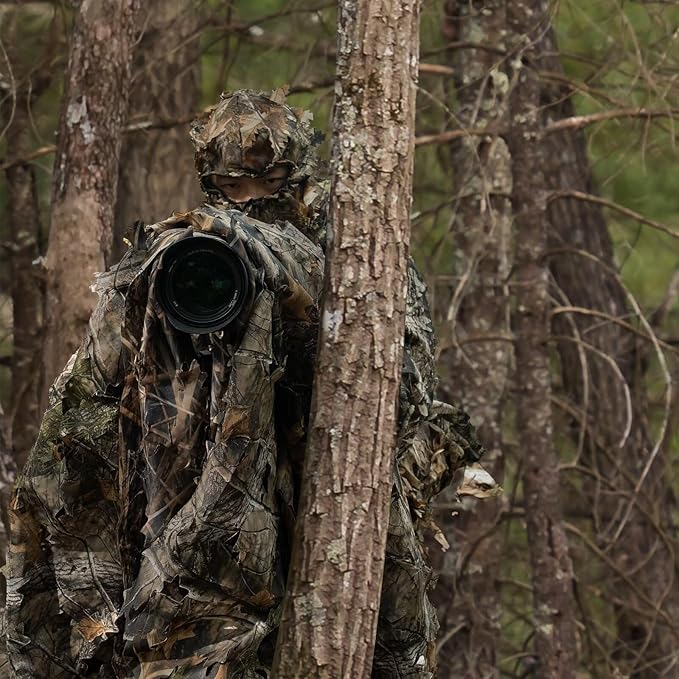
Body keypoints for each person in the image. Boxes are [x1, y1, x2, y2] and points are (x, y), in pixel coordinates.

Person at [6, 90, 482, 678]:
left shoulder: (354, 251)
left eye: (269, 183)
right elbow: (86, 411)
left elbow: (406, 389)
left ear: (297, 177)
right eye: (233, 188)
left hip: (322, 499)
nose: (251, 202)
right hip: (199, 527)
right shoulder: (181, 261)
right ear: (211, 184)